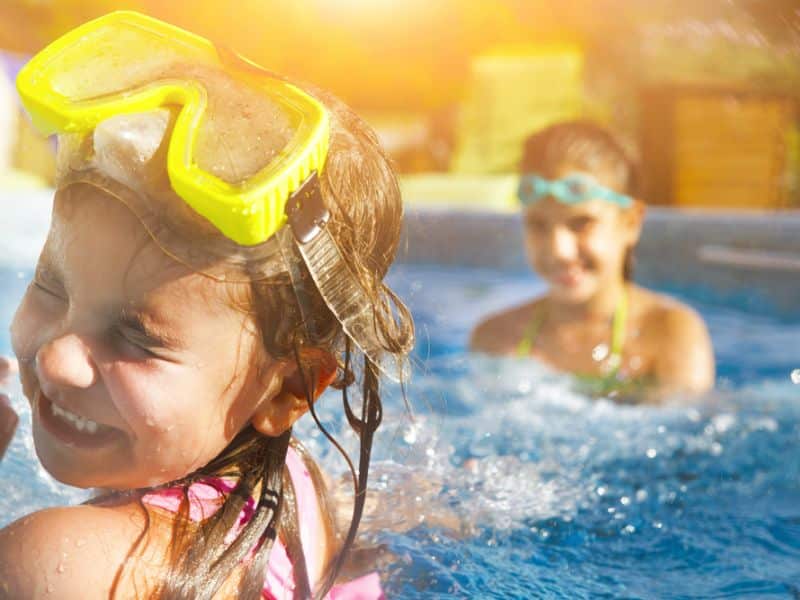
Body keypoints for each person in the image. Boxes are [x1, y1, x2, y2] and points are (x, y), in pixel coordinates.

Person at [0, 11, 412, 599]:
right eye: (52, 286)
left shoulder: (56, 566)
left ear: (290, 389)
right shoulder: (292, 487)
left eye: (136, 337)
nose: (57, 360)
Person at [470, 121, 714, 400]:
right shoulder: (495, 339)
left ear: (631, 223)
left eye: (581, 223)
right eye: (538, 225)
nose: (559, 250)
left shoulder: (669, 336)